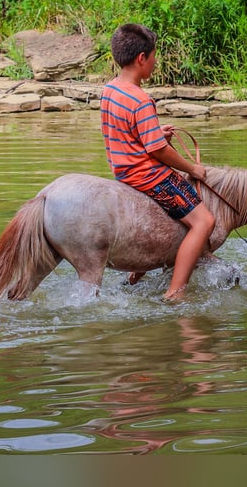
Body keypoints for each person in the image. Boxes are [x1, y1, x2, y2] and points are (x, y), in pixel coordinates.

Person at [100, 23, 216, 302]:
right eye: (154, 57)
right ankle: (175, 291)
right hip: (147, 175)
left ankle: (134, 276)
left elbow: (124, 132)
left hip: (122, 171)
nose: (155, 62)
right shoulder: (141, 99)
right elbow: (158, 151)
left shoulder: (110, 90)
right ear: (142, 59)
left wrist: (154, 133)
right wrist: (192, 168)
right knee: (204, 221)